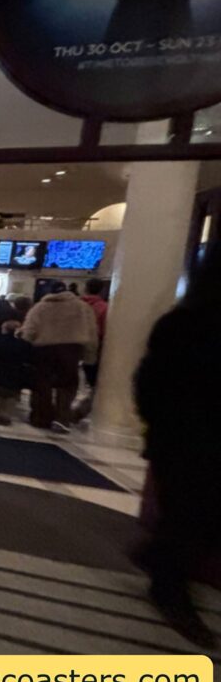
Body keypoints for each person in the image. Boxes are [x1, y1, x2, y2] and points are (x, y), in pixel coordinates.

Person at [133, 245, 221, 649]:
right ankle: (168, 585)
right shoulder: (189, 325)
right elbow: (152, 384)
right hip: (190, 440)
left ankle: (161, 560)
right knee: (192, 515)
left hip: (181, 438)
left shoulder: (180, 323)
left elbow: (148, 383)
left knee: (191, 515)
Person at [20, 281, 98, 432]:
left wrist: (25, 347)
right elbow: (92, 334)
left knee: (41, 384)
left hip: (43, 350)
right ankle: (62, 419)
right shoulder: (82, 307)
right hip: (71, 350)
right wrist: (90, 357)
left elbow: (29, 331)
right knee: (67, 385)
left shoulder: (40, 307)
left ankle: (41, 417)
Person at [0, 320, 32, 426]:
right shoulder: (24, 345)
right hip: (17, 376)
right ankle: (6, 415)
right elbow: (30, 359)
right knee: (12, 397)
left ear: (5, 330)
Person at [80, 278, 110, 388]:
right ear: (102, 290)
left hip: (74, 341)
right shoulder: (104, 307)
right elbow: (104, 329)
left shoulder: (77, 305)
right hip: (95, 344)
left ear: (85, 289)